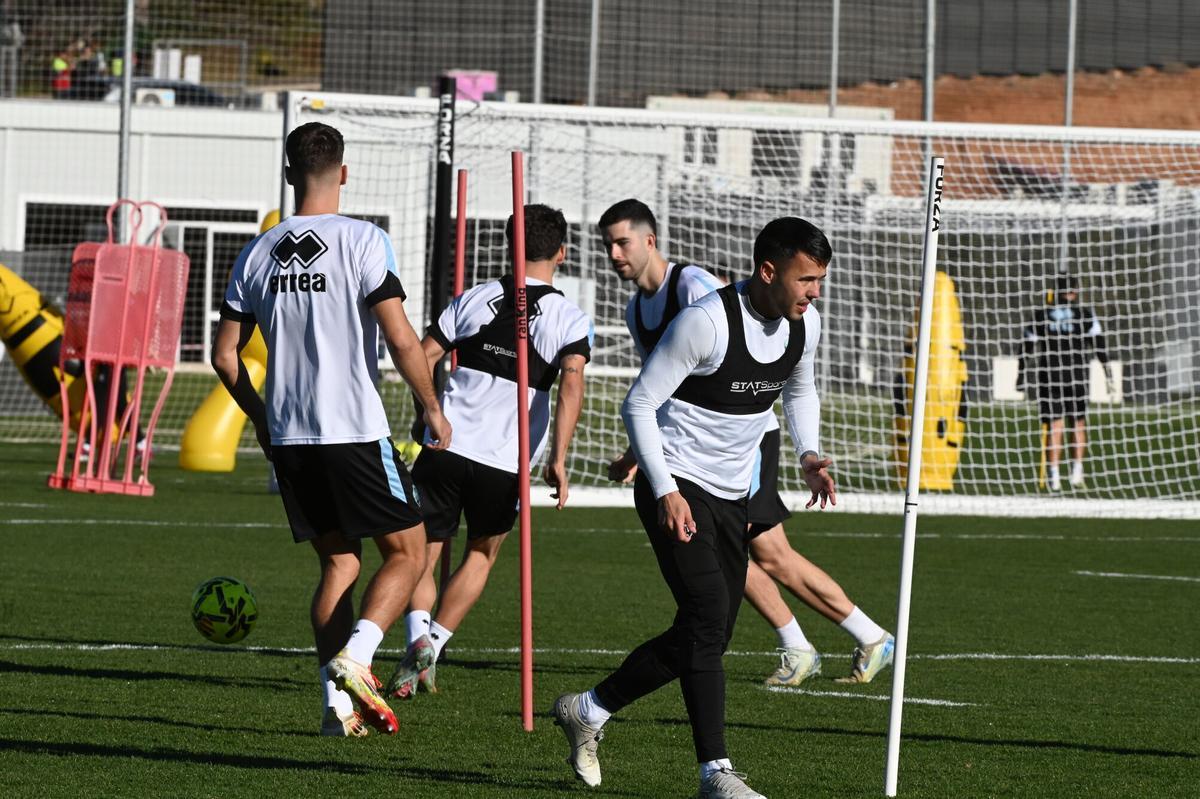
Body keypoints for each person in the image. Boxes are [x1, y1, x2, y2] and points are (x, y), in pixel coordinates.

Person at [553, 216, 837, 799]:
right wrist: (665, 490)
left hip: (734, 491)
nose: (814, 292)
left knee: (706, 634)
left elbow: (800, 389)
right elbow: (639, 403)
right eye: (806, 279)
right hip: (676, 484)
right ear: (768, 271)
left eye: (819, 280)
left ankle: (591, 707)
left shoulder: (804, 326)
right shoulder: (705, 322)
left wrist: (808, 453)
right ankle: (716, 774)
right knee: (708, 617)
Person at [211, 121, 451, 737]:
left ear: (289, 173)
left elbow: (225, 356)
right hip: (352, 429)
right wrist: (431, 405)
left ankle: (334, 711)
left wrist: (263, 419)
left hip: (291, 438)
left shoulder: (257, 251)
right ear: (343, 172)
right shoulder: (364, 240)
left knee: (340, 566)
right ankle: (359, 657)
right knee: (409, 550)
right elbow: (399, 335)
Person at [599, 199, 893, 689]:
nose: (613, 253)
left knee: (763, 552)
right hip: (697, 449)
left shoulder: (696, 289)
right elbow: (665, 393)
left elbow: (753, 354)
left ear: (649, 240)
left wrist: (808, 451)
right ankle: (814, 642)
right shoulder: (636, 311)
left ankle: (839, 639)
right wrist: (642, 454)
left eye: (621, 241)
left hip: (748, 438)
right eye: (606, 243)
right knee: (746, 558)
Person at [387, 204, 592, 699]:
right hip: (505, 461)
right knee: (480, 554)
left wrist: (428, 408)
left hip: (448, 443)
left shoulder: (476, 298)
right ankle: (432, 644)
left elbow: (424, 353)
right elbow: (571, 385)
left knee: (423, 554)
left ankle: (417, 637)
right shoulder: (568, 316)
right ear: (561, 253)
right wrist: (559, 459)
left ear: (508, 245)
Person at [1019, 273, 1112, 491]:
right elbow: (1099, 345)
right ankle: (1076, 472)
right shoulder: (1084, 315)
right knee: (1077, 423)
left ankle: (1054, 475)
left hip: (1050, 377)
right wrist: (1107, 370)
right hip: (1077, 376)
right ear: (1075, 292)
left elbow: (1026, 348)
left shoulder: (1042, 315)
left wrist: (1020, 374)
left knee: (1055, 425)